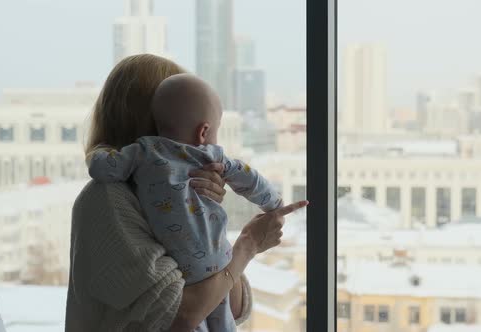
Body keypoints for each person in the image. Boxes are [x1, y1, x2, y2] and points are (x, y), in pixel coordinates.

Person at [65, 54, 308, 332]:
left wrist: (207, 223)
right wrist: (248, 245)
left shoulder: (179, 191)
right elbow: (178, 317)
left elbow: (233, 306)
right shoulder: (107, 200)